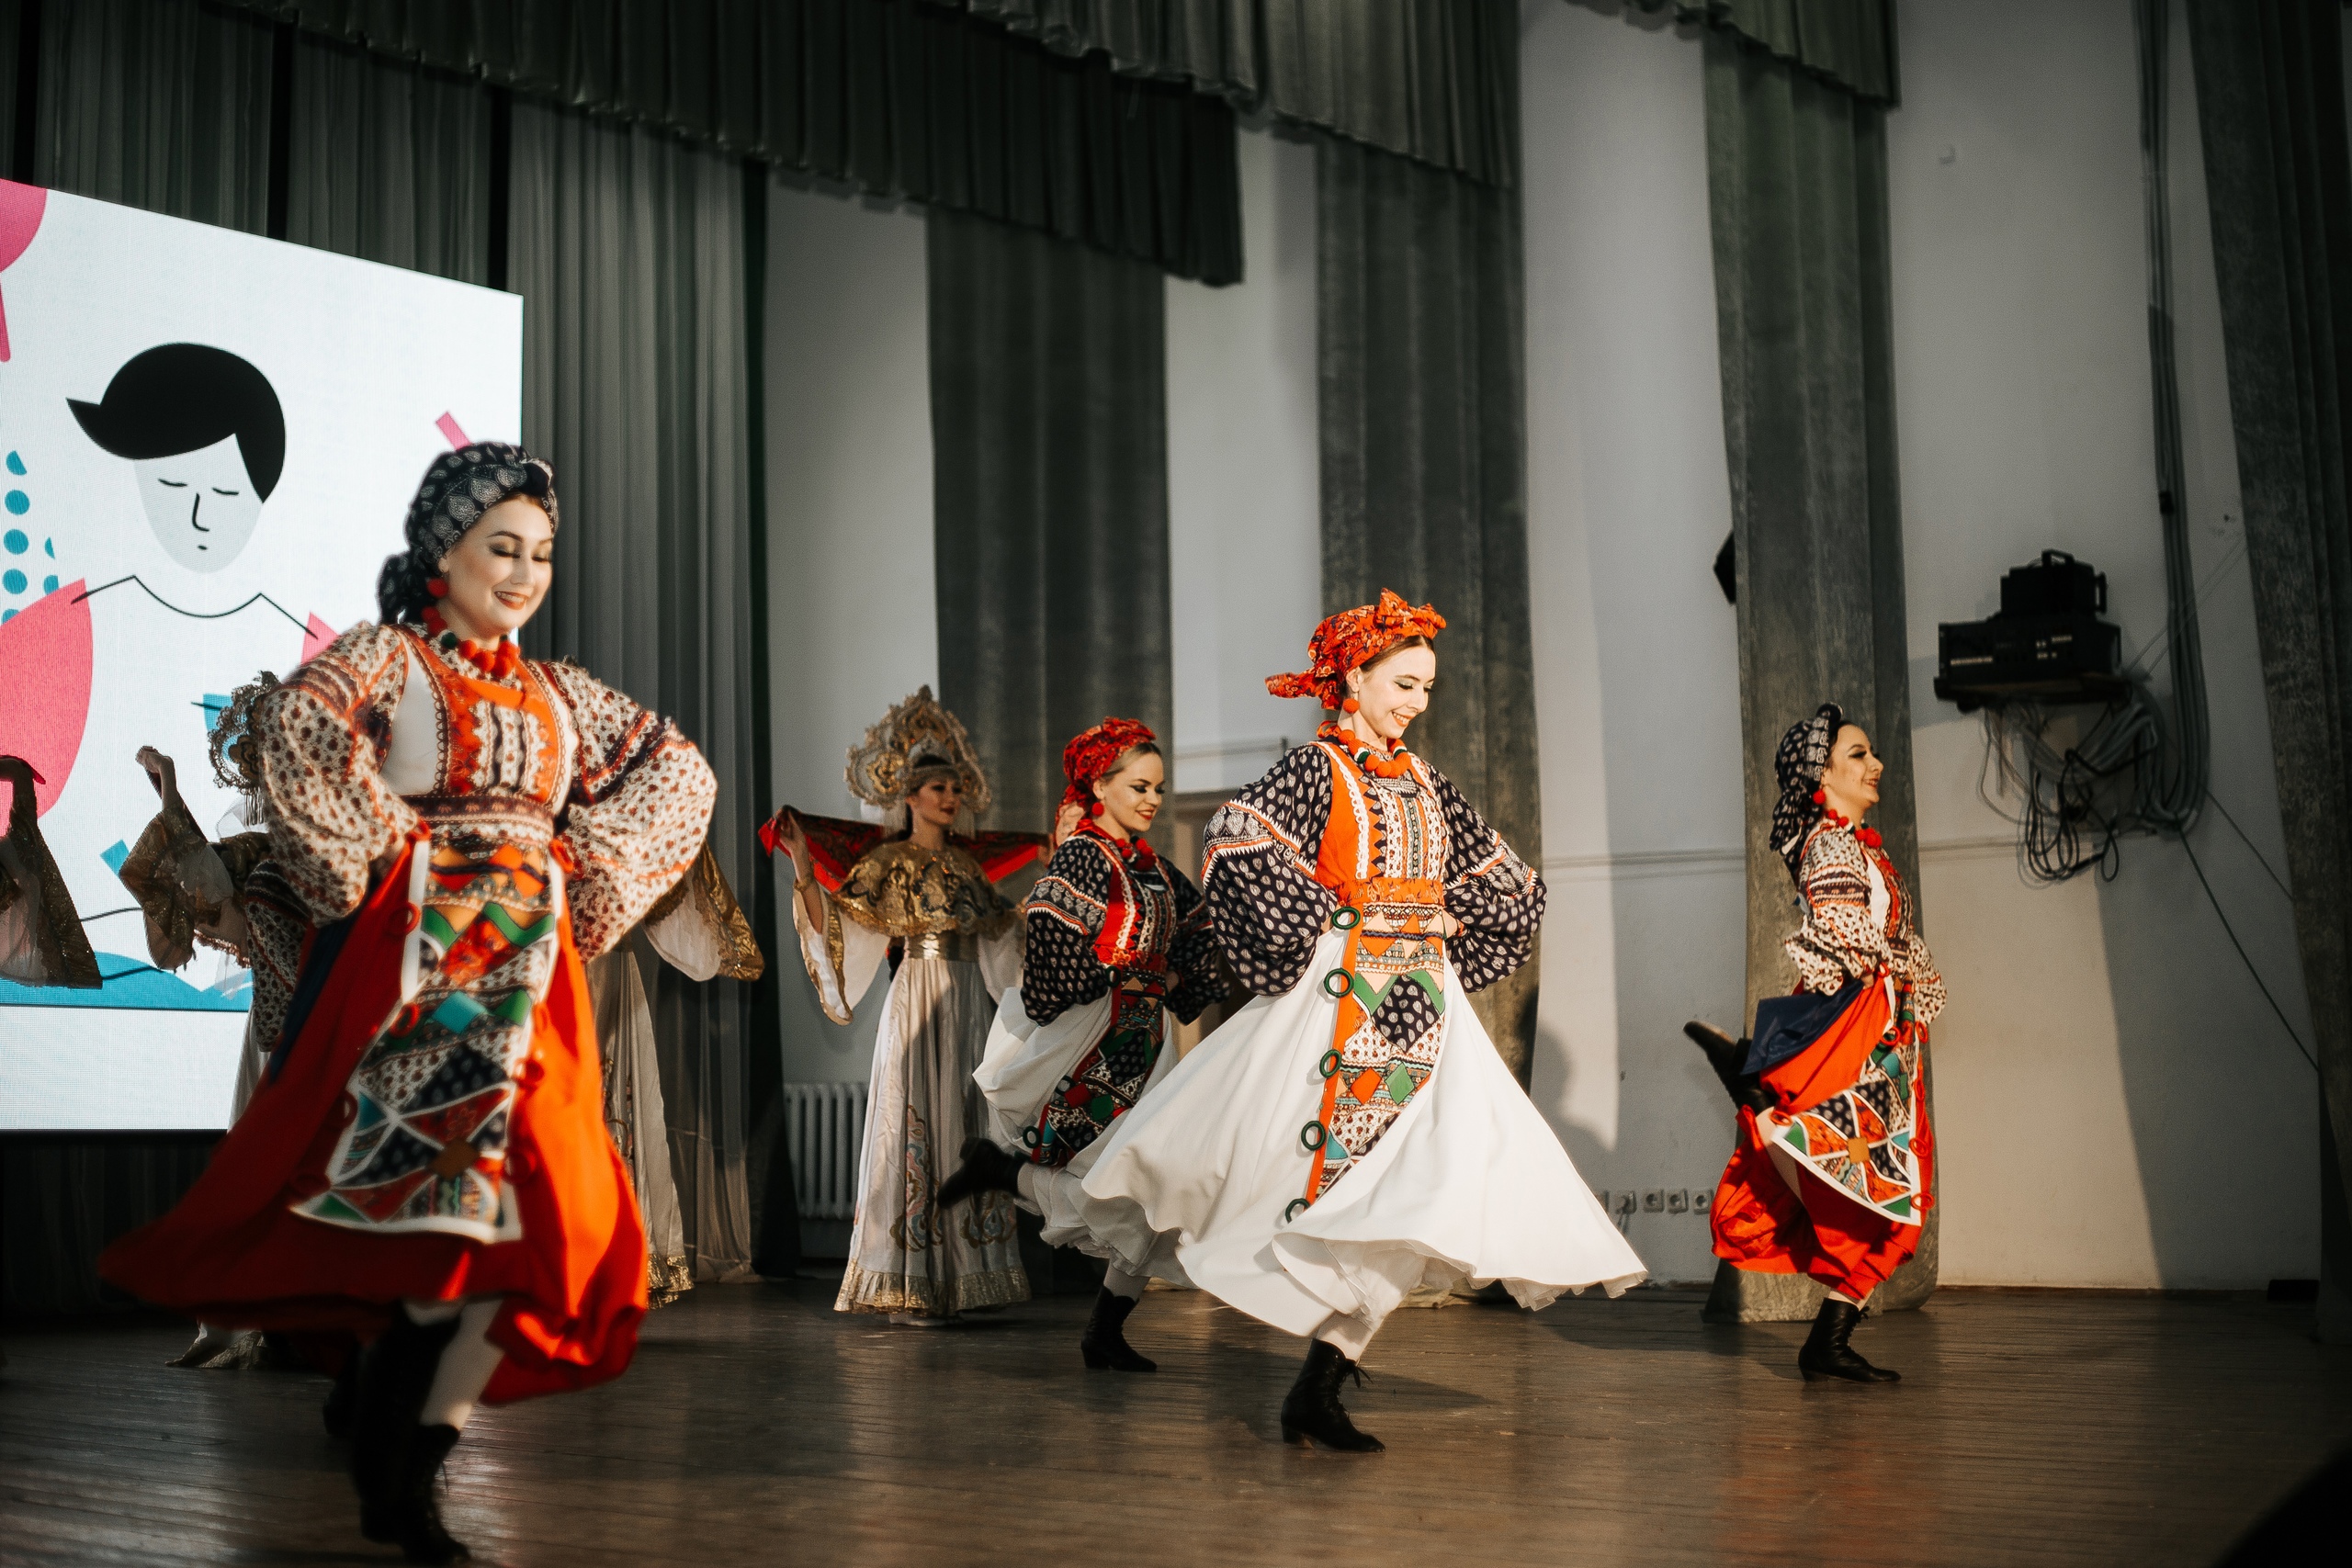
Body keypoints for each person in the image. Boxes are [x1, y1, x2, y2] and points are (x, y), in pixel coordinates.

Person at [101, 444, 717, 1562]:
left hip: (533, 988)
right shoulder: (391, 659)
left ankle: (398, 1450)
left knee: (539, 1231)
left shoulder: (559, 690)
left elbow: (681, 772)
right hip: (428, 981)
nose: (523, 573)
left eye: (540, 554)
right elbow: (300, 724)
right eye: (501, 548)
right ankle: (398, 1467)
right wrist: (396, 857)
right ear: (444, 552)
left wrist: (581, 873)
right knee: (446, 1230)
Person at [1062, 592, 1646, 1450]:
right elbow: (1235, 838)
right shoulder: (1315, 769)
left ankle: (1320, 1383)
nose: (1417, 701)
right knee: (1234, 1162)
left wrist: (1445, 915)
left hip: (1422, 1010)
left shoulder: (1425, 780)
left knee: (1423, 1186)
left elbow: (1511, 880)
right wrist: (1339, 915)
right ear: (1352, 680)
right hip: (1337, 1004)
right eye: (1404, 683)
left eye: (1427, 687)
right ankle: (1129, 1311)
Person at [938, 717, 1223, 1371]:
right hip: (1092, 1037)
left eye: (1158, 788)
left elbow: (1198, 932)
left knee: (1154, 1189)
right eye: (1139, 786)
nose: (1153, 800)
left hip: (1146, 1043)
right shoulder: (1082, 857)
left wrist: (1172, 976)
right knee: (1119, 1189)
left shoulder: (1154, 868)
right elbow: (1051, 951)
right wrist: (1127, 976)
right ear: (1100, 785)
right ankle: (1003, 1174)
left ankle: (1103, 1329)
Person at [763, 687, 1042, 1323]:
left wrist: (1042, 904)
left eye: (955, 789)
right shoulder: (887, 863)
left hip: (969, 1004)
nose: (950, 798)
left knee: (965, 1123)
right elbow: (843, 926)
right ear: (910, 796)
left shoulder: (968, 869)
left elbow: (1004, 939)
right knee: (915, 1122)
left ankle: (968, 1276)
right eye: (938, 788)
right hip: (918, 995)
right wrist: (803, 864)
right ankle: (913, 1277)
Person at [1686, 703, 1944, 1384]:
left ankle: (1827, 1341)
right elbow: (1845, 933)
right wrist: (1891, 982)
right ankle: (1759, 1088)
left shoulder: (1862, 846)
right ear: (1821, 775)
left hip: (1886, 1028)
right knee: (1866, 1171)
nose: (1875, 764)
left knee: (1898, 1202)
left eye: (1871, 752)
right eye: (1858, 754)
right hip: (1856, 1021)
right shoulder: (1830, 845)